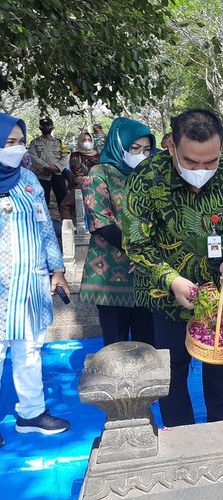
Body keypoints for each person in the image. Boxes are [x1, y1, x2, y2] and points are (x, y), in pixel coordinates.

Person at [122, 109, 223, 428]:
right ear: (171, 147)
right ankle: (181, 443)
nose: (202, 170)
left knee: (221, 374)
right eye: (191, 162)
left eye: (211, 161)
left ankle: (220, 436)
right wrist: (172, 280)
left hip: (219, 293)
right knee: (172, 373)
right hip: (167, 295)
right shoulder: (147, 177)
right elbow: (136, 242)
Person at [0, 113, 71, 448]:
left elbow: (45, 228)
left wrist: (57, 270)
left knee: (29, 350)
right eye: (8, 143)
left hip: (31, 284)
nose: (16, 149)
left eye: (19, 142)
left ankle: (31, 413)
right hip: (1, 290)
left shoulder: (28, 180)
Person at [80, 118, 156, 347]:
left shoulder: (150, 175)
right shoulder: (99, 174)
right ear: (118, 145)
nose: (141, 155)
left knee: (148, 345)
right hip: (111, 270)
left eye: (146, 149)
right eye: (134, 149)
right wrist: (139, 252)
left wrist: (150, 255)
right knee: (115, 345)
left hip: (146, 271)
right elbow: (102, 223)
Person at [28, 118, 69, 209]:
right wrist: (46, 166)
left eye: (48, 125)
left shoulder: (59, 142)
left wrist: (57, 167)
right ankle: (43, 220)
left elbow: (66, 156)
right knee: (41, 200)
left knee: (62, 199)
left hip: (57, 174)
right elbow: (33, 156)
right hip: (41, 175)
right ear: (40, 127)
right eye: (44, 125)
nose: (46, 127)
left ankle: (65, 219)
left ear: (52, 127)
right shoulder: (34, 142)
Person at [60, 131, 99, 220]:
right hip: (78, 186)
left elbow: (100, 172)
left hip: (95, 185)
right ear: (80, 141)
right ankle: (68, 227)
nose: (87, 142)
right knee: (65, 205)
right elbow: (77, 174)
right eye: (84, 140)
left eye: (89, 140)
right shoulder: (75, 155)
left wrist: (88, 178)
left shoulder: (98, 156)